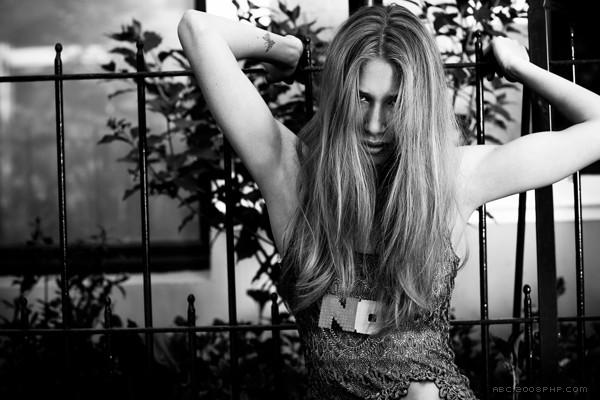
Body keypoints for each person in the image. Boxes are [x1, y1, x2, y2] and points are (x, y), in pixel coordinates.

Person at [178, 4, 600, 399]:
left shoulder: (449, 180)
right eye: (362, 98)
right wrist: (283, 49)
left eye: (394, 102)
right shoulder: (293, 177)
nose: (375, 124)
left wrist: (520, 68)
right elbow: (197, 28)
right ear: (341, 96)